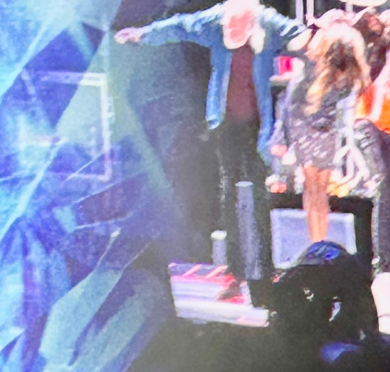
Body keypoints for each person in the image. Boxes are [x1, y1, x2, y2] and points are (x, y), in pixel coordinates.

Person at [115, 1, 307, 278]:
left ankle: (264, 266)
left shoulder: (267, 22)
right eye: (228, 23)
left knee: (258, 193)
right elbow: (181, 26)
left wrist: (316, 43)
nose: (229, 26)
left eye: (235, 23)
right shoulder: (216, 21)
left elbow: (299, 34)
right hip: (225, 122)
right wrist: (142, 34)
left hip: (258, 126)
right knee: (229, 190)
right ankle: (235, 266)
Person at [281, 19, 370, 245]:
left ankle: (317, 241)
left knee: (313, 189)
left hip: (308, 129)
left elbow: (292, 102)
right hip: (319, 131)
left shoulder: (314, 67)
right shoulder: (348, 75)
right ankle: (320, 241)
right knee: (319, 190)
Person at [360, 11, 390, 286]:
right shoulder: (378, 54)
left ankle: (385, 269)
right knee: (382, 185)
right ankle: (380, 268)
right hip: (366, 124)